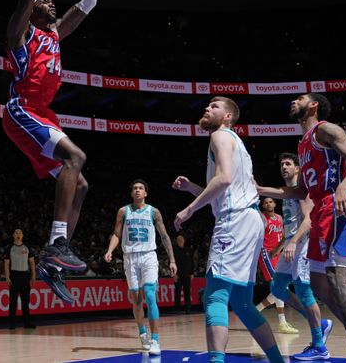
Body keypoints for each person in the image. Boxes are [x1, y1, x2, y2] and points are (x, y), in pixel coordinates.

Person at [256, 93, 346, 363]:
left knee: (336, 276)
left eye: (299, 98)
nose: (293, 102)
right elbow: (300, 191)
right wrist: (261, 189)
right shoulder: (302, 146)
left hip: (337, 205)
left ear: (314, 105)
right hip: (320, 209)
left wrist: (344, 186)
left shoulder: (325, 129)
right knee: (320, 284)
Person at [2, 0, 103, 303]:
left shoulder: (55, 35)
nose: (52, 5)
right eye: (46, 3)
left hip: (43, 113)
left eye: (51, 3)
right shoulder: (22, 32)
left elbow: (86, 5)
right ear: (32, 10)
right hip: (21, 109)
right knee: (76, 157)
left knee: (82, 186)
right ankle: (58, 243)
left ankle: (53, 260)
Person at [172, 97, 283, 363]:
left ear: (228, 117)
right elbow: (224, 191)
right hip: (251, 221)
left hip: (235, 222)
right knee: (243, 305)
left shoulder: (220, 136)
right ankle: (277, 360)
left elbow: (224, 180)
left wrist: (189, 209)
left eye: (214, 106)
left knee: (214, 297)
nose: (207, 108)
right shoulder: (237, 143)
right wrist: (191, 188)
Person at [259, 153, 332, 360]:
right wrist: (282, 245)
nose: (284, 166)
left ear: (298, 168)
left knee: (303, 290)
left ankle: (320, 346)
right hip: (291, 244)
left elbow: (308, 221)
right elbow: (290, 224)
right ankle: (319, 323)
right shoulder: (288, 192)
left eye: (288, 164)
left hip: (304, 244)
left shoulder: (303, 191)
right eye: (281, 163)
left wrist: (292, 242)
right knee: (277, 288)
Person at [104, 179, 177, 356]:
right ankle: (142, 332)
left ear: (145, 193)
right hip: (130, 257)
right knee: (136, 299)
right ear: (131, 193)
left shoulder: (154, 212)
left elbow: (165, 236)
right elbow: (116, 234)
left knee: (150, 295)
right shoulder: (123, 211)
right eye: (135, 188)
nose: (137, 190)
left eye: (141, 188)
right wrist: (110, 250)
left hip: (148, 256)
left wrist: (172, 260)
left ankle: (155, 340)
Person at [255, 197, 298, 334]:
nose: (268, 203)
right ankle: (282, 322)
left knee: (281, 287)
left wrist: (280, 249)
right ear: (262, 205)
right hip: (266, 253)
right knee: (278, 286)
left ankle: (257, 310)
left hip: (278, 252)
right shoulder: (261, 218)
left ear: (274, 204)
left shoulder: (280, 217)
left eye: (270, 201)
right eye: (265, 202)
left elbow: (284, 236)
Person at [3, 228, 36, 330]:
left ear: (22, 235)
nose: (18, 234)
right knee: (13, 301)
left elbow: (31, 262)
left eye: (20, 233)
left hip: (25, 276)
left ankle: (27, 323)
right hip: (14, 275)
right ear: (13, 235)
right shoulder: (9, 248)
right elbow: (6, 263)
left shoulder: (27, 247)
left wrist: (33, 275)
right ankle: (12, 323)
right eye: (16, 232)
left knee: (25, 301)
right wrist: (7, 277)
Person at [172, 234, 193, 314]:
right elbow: (170, 263)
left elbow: (192, 263)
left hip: (187, 275)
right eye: (179, 240)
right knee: (177, 292)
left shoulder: (188, 250)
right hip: (178, 275)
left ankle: (188, 309)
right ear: (177, 242)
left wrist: (192, 273)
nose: (180, 242)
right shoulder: (174, 251)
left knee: (187, 292)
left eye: (181, 240)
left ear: (184, 241)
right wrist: (174, 274)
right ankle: (177, 309)